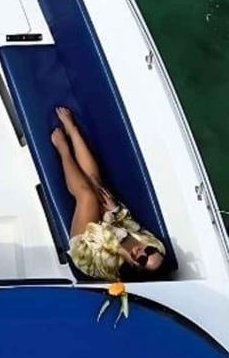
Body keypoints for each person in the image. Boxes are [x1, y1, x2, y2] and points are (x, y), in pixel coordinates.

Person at [49, 106, 168, 281]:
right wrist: (114, 210)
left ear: (136, 267)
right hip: (107, 229)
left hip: (88, 247)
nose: (142, 252)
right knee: (98, 186)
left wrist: (121, 250)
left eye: (142, 260)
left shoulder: (114, 264)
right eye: (149, 251)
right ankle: (72, 130)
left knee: (87, 196)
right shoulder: (154, 244)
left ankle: (63, 149)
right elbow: (132, 225)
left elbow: (92, 232)